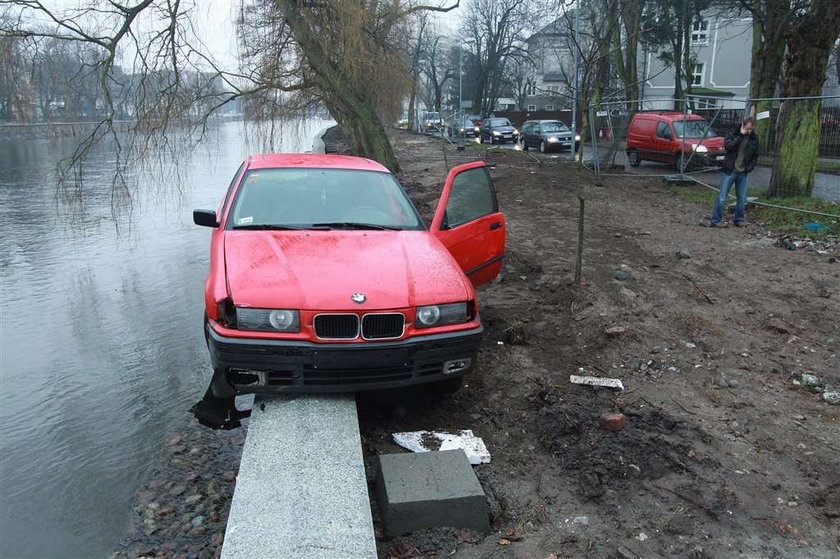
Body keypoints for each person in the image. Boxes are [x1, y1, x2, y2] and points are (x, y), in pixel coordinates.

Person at [710, 116, 759, 227]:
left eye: (751, 129)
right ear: (743, 125)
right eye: (747, 128)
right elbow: (728, 147)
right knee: (722, 197)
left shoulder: (754, 139)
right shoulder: (732, 134)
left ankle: (739, 219)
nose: (749, 131)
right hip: (730, 170)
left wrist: (750, 167)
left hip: (743, 172)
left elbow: (755, 155)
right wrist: (740, 136)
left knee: (741, 198)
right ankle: (716, 219)